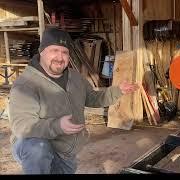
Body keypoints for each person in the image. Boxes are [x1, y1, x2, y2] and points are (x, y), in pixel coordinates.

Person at [8, 27, 138, 174]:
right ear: (42, 52)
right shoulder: (26, 85)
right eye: (54, 50)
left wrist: (117, 90)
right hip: (37, 148)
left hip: (66, 151)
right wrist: (58, 126)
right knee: (37, 148)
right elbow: (22, 126)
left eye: (64, 52)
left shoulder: (74, 77)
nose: (60, 57)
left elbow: (92, 98)